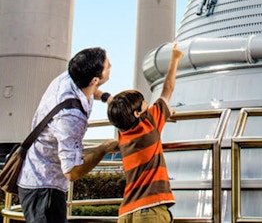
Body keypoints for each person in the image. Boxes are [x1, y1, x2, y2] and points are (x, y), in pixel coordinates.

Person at [18, 47, 118, 223]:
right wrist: (103, 148)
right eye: (107, 65)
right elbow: (71, 172)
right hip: (45, 189)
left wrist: (106, 97)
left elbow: (90, 89)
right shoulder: (71, 117)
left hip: (38, 178)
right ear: (95, 79)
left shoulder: (70, 77)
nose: (111, 65)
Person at [107, 43, 184, 223]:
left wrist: (167, 113)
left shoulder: (122, 133)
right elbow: (168, 89)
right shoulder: (148, 124)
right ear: (138, 114)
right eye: (143, 103)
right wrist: (175, 59)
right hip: (150, 211)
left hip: (126, 212)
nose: (146, 104)